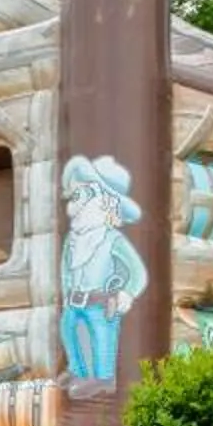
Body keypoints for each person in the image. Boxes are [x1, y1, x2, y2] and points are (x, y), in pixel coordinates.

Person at [57, 155, 146, 383]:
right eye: (74, 196)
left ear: (104, 202)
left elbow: (138, 271)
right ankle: (77, 373)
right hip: (74, 302)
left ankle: (103, 381)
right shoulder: (72, 240)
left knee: (102, 339)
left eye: (81, 195)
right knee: (68, 331)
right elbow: (66, 269)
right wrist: (66, 294)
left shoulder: (111, 239)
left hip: (100, 304)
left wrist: (127, 292)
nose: (74, 206)